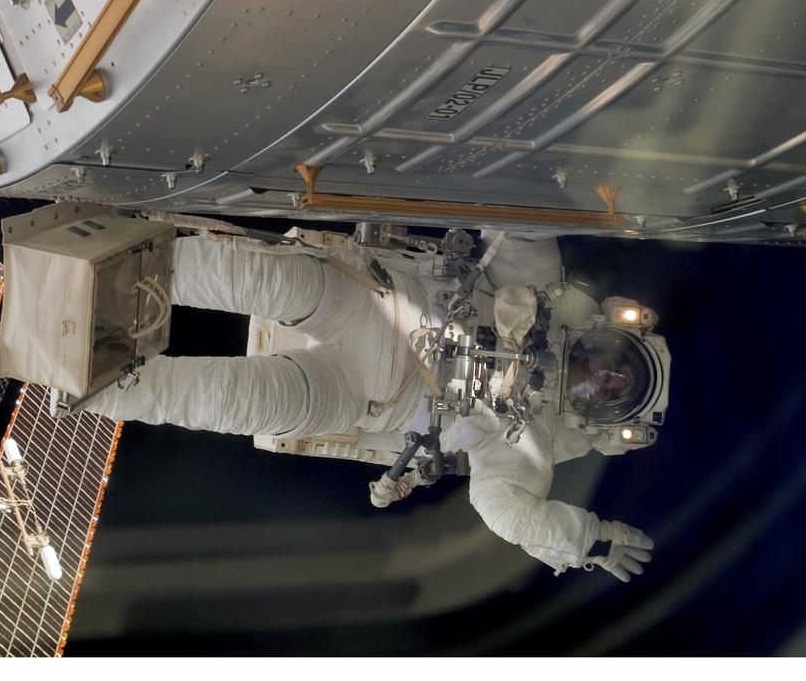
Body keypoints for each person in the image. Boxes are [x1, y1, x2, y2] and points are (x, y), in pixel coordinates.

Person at [83, 230, 659, 582]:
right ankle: (95, 272)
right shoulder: (546, 293)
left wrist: (586, 537)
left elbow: (512, 516)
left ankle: (86, 383)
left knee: (228, 402)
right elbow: (526, 220)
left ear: (600, 420)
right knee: (254, 277)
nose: (604, 377)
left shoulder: (532, 449)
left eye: (613, 393)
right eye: (619, 365)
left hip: (365, 395)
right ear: (609, 335)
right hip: (371, 304)